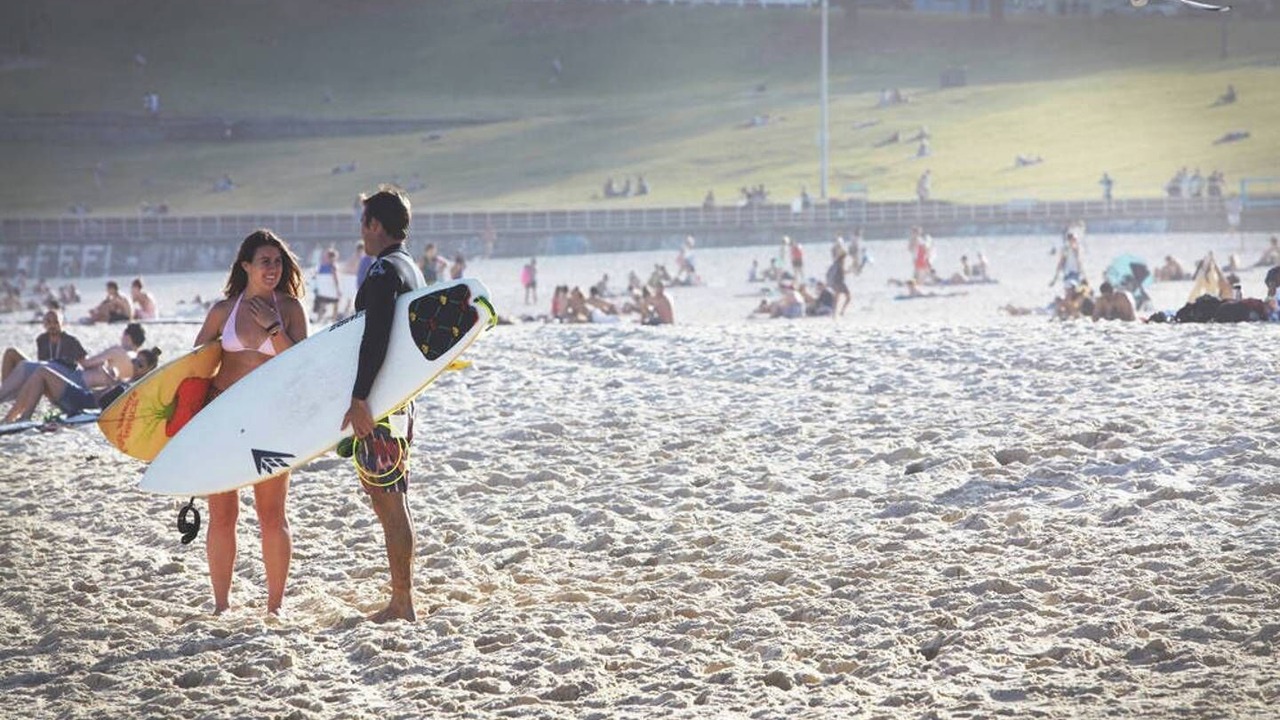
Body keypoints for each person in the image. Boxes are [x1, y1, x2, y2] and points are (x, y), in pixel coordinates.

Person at [193, 229, 309, 616]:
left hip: (270, 421)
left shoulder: (290, 309)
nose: (273, 268)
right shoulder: (223, 311)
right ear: (246, 266)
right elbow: (194, 368)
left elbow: (301, 368)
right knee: (222, 514)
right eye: (265, 261)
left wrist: (274, 328)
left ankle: (275, 606)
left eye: (278, 261)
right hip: (222, 419)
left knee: (271, 514)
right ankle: (221, 605)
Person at [340, 188, 427, 623]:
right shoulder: (410, 267)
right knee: (391, 497)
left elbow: (375, 338)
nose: (362, 232)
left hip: (380, 405)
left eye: (364, 223)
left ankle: (402, 602)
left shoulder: (381, 272)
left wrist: (359, 399)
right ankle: (402, 598)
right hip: (399, 400)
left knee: (389, 500)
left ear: (376, 225)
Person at [2, 346, 160, 423]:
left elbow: (106, 403)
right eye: (134, 360)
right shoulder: (128, 382)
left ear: (147, 371)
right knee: (40, 377)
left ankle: (24, 417)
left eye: (140, 365)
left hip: (82, 401)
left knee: (43, 372)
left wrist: (110, 383)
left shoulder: (135, 387)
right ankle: (14, 418)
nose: (134, 365)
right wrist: (111, 382)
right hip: (83, 398)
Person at [1, 308, 88, 385]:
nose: (52, 325)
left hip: (61, 380)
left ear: (62, 323)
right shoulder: (41, 339)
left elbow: (85, 363)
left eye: (56, 322)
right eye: (48, 322)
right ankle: (4, 389)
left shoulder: (71, 341)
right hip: (42, 373)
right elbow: (41, 361)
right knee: (11, 352)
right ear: (44, 324)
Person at [311, 248, 341, 323]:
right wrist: (338, 289)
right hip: (331, 289)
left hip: (323, 290)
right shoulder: (333, 266)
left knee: (322, 304)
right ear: (333, 257)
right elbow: (335, 279)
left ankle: (319, 320)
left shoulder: (321, 266)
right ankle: (333, 320)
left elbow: (316, 277)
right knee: (336, 303)